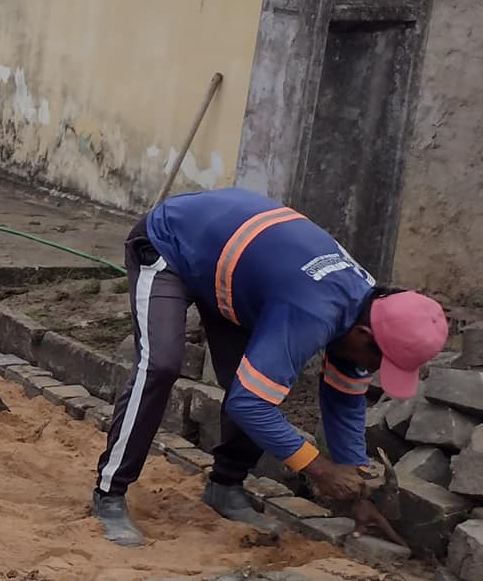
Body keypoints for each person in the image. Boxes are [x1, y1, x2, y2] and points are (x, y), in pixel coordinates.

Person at [91, 187, 448, 548]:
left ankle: (224, 487)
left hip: (233, 275)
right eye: (379, 363)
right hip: (172, 243)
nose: (373, 372)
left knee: (258, 383)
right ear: (363, 335)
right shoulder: (313, 310)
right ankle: (110, 492)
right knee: (162, 364)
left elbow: (344, 400)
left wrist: (359, 497)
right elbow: (249, 404)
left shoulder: (368, 306)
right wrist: (320, 470)